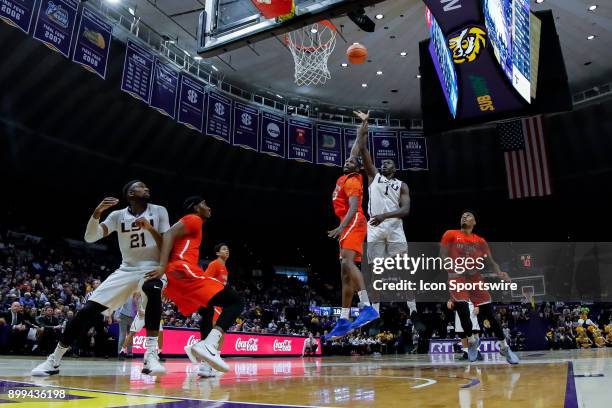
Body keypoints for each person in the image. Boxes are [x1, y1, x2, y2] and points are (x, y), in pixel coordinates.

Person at [32, 180, 170, 376]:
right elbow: (90, 237)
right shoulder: (117, 215)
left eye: (147, 186)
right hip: (127, 269)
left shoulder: (159, 211)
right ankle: (53, 361)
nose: (146, 188)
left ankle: (151, 355)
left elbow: (166, 243)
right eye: (141, 186)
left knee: (152, 288)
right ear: (131, 194)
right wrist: (97, 214)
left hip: (153, 267)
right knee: (87, 310)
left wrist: (149, 228)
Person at [155, 197, 244, 373]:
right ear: (196, 208)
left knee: (207, 311)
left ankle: (205, 360)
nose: (209, 207)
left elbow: (169, 242)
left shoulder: (193, 226)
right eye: (205, 204)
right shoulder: (193, 219)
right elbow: (168, 235)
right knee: (237, 302)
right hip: (186, 271)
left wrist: (167, 277)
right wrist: (162, 267)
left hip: (179, 276)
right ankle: (208, 346)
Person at [354, 110, 416, 318]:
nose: (384, 164)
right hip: (375, 227)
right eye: (383, 163)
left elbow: (406, 210)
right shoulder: (373, 177)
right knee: (376, 272)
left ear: (395, 168)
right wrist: (365, 125)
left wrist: (385, 216)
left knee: (404, 269)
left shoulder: (402, 185)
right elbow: (362, 150)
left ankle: (413, 308)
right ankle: (376, 312)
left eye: (388, 163)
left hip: (394, 227)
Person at [440, 210, 519, 364]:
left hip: (475, 278)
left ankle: (504, 347)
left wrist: (499, 272)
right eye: (462, 215)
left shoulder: (480, 241)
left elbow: (491, 261)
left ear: (474, 222)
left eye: (468, 215)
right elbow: (442, 255)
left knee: (490, 315)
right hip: (457, 278)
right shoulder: (450, 234)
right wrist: (452, 266)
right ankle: (471, 341)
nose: (464, 216)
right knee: (462, 309)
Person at [326, 113, 379, 340]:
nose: (346, 162)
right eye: (346, 161)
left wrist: (342, 227)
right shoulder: (345, 175)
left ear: (357, 168)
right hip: (347, 224)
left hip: (353, 221)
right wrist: (363, 124)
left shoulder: (354, 180)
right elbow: (358, 144)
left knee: (347, 263)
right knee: (344, 273)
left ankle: (367, 306)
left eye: (350, 162)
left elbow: (354, 207)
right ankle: (344, 319)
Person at [184, 243, 231, 378]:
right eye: (223, 249)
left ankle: (206, 359)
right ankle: (207, 364)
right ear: (217, 253)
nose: (226, 251)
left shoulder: (224, 268)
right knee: (217, 333)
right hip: (212, 303)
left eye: (227, 249)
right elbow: (204, 281)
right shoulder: (214, 265)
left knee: (220, 334)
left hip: (219, 304)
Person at [118, 292, 164, 360]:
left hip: (153, 314)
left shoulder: (159, 288)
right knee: (132, 333)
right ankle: (122, 351)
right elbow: (135, 298)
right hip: (142, 313)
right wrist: (139, 309)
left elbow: (160, 301)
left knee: (160, 331)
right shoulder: (143, 286)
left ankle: (159, 352)